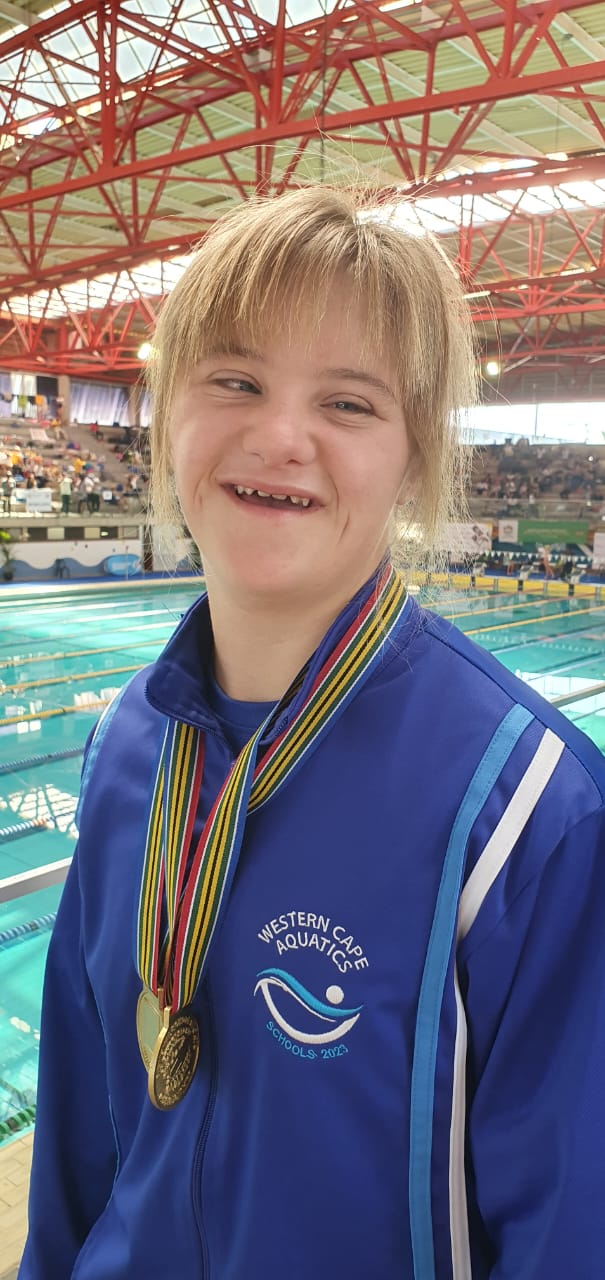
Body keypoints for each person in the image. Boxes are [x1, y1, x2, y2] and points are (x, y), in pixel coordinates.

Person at [20, 188, 605, 1280]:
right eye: (234, 381)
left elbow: (568, 1232)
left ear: (413, 458)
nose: (279, 437)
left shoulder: (528, 808)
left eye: (347, 402)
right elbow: (78, 1135)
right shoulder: (124, 745)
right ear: (167, 413)